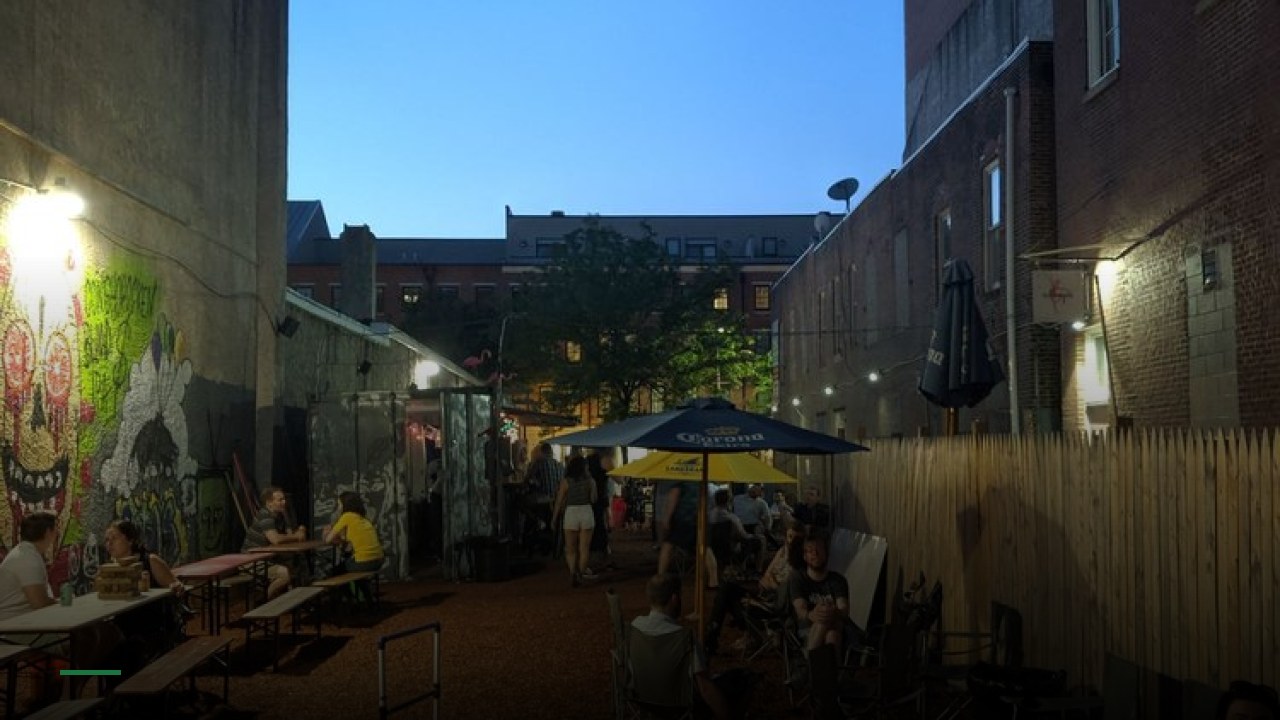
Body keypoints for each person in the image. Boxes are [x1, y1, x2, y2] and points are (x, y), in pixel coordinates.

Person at [0, 512, 122, 700]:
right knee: (93, 636)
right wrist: (66, 603)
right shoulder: (26, 558)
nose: (56, 533)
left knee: (103, 634)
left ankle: (75, 684)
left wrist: (62, 603)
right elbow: (39, 603)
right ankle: (72, 689)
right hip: (15, 630)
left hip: (26, 624)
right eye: (55, 529)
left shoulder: (27, 553)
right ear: (48, 532)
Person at [632, 574, 751, 720]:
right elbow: (705, 688)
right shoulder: (682, 638)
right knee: (742, 680)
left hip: (644, 699)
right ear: (675, 599)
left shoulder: (634, 627)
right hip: (678, 705)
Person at [103, 520, 188, 671]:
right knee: (101, 647)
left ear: (130, 540)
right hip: (123, 624)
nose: (109, 544)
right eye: (107, 540)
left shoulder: (150, 561)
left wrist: (175, 586)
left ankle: (124, 686)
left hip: (152, 625)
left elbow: (177, 589)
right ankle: (108, 684)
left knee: (120, 651)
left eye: (114, 538)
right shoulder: (111, 568)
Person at [242, 486, 308, 599]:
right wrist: (295, 536)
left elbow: (290, 534)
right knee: (285, 573)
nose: (284, 502)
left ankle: (291, 601)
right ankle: (268, 602)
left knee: (295, 564)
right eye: (280, 500)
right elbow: (275, 539)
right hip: (251, 559)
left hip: (268, 556)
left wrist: (300, 531)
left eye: (284, 499)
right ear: (269, 503)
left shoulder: (280, 515)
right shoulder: (264, 515)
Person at [552, 455, 597, 587]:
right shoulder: (591, 481)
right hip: (586, 511)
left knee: (570, 548)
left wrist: (554, 519)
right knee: (584, 548)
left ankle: (572, 572)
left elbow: (559, 501)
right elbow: (594, 499)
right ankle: (581, 573)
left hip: (571, 513)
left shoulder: (566, 481)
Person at [322, 492, 385, 573]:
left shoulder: (347, 516)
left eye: (339, 504)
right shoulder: (363, 518)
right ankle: (361, 585)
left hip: (364, 562)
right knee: (347, 562)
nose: (338, 508)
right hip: (378, 561)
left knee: (335, 572)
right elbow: (348, 540)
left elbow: (328, 540)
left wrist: (326, 531)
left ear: (345, 505)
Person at [656, 481, 700, 576]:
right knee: (704, 547)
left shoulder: (680, 484)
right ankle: (712, 578)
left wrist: (666, 518)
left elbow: (672, 500)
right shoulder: (699, 483)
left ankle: (660, 574)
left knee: (667, 545)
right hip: (696, 521)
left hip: (681, 519)